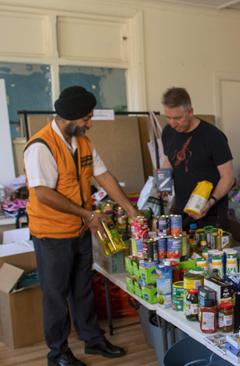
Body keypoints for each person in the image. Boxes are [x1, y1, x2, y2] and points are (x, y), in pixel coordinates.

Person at [24, 86, 138, 366]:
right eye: (87, 117)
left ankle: (93, 340)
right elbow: (43, 193)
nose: (90, 123)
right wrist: (87, 215)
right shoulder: (41, 146)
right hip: (51, 235)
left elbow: (104, 176)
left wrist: (129, 207)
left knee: (82, 288)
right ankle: (58, 353)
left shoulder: (83, 142)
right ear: (72, 117)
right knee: (56, 295)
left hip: (79, 231)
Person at [161, 87, 234, 230]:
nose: (172, 123)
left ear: (190, 111)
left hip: (210, 213)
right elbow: (170, 160)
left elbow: (228, 178)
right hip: (181, 209)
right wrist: (163, 182)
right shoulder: (168, 132)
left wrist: (210, 202)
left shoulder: (213, 136)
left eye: (177, 118)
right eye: (168, 117)